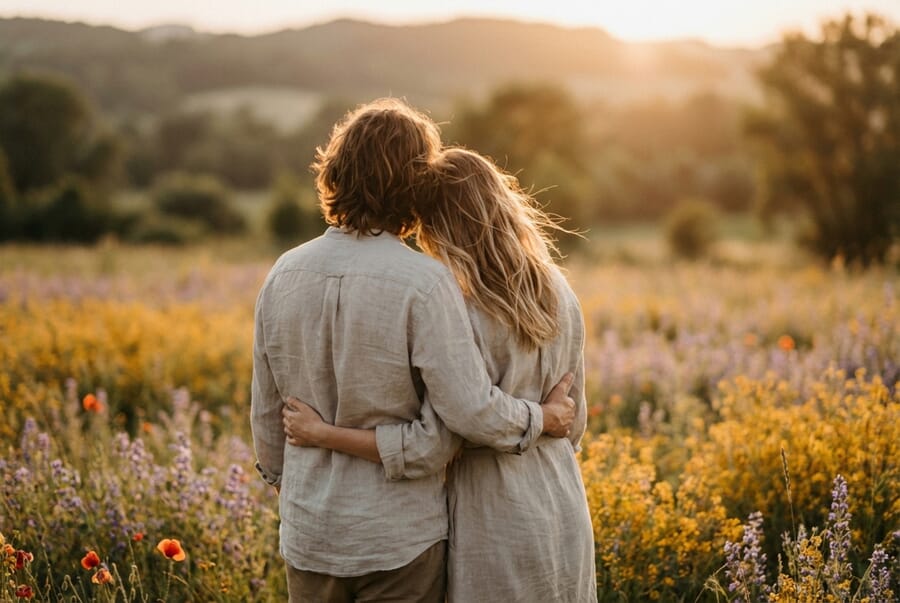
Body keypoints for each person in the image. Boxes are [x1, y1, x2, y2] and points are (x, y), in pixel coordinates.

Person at [250, 99, 577, 603]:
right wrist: (544, 419)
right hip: (398, 539)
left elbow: (267, 419)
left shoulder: (282, 274)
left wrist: (303, 486)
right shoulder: (425, 284)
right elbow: (447, 432)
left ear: (335, 172)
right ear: (412, 185)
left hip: (309, 534)